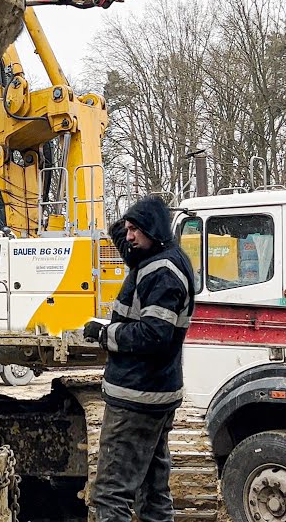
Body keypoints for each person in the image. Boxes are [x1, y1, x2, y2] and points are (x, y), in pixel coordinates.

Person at [81, 194, 196, 522]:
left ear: (154, 230)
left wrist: (106, 335)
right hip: (155, 392)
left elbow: (154, 335)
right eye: (128, 229)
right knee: (153, 490)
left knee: (110, 494)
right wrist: (131, 224)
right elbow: (128, 241)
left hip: (137, 396)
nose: (128, 236)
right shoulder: (156, 258)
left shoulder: (161, 271)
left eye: (135, 229)